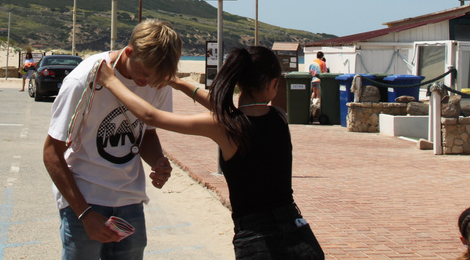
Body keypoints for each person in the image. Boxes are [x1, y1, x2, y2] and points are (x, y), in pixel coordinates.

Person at [98, 45, 324, 260]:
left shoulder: (226, 127)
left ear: (240, 82)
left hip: (257, 240)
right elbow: (225, 108)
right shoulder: (279, 117)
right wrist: (178, 83)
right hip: (297, 232)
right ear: (272, 83)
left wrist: (110, 82)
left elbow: (151, 117)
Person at [42, 18, 182, 259]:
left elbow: (147, 133)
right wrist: (84, 213)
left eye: (156, 78)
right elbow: (51, 153)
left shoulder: (158, 81)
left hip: (130, 199)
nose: (148, 83)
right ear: (129, 52)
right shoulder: (83, 79)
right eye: (145, 75)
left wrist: (158, 161)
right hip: (86, 198)